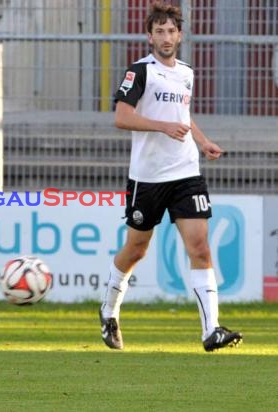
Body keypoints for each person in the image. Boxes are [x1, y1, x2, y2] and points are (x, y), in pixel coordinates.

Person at [99, 2, 242, 352]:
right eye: (159, 31)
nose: (166, 37)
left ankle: (211, 331)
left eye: (171, 31)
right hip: (147, 178)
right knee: (136, 249)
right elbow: (121, 116)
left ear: (180, 34)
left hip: (186, 172)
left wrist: (202, 140)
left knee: (200, 247)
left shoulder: (186, 72)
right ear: (149, 36)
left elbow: (182, 113)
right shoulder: (140, 72)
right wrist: (161, 126)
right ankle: (109, 311)